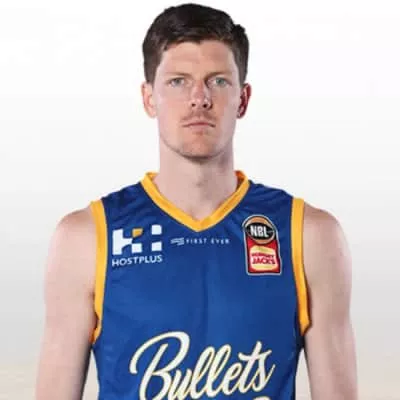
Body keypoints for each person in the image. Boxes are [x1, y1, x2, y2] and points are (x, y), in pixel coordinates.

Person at [35, 3, 358, 399]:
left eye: (218, 81)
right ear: (148, 98)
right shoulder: (87, 238)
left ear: (243, 99)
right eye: (178, 82)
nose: (199, 98)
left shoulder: (308, 235)